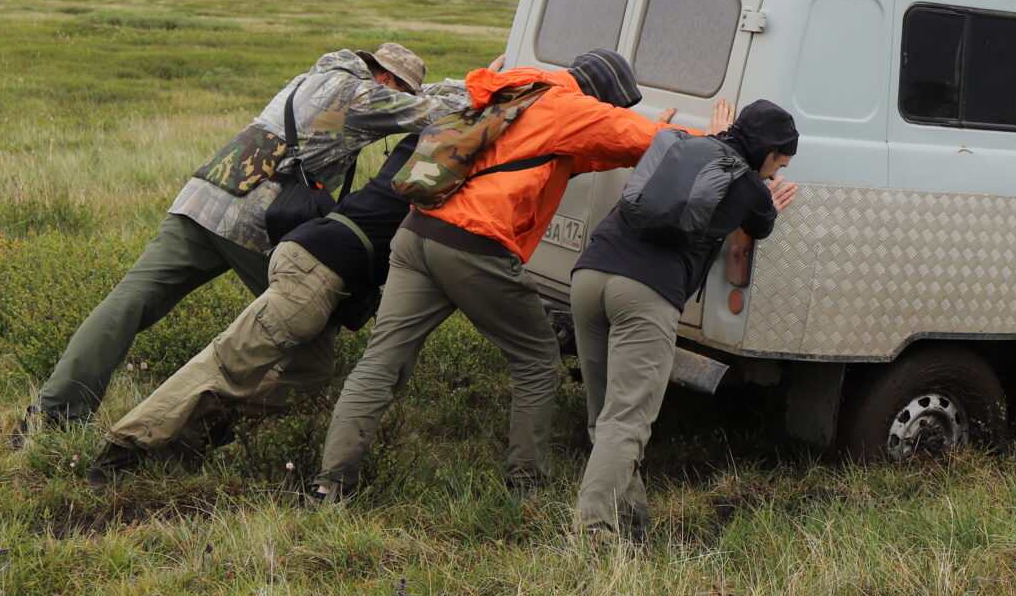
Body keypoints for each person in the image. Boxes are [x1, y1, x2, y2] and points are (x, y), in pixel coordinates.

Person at [305, 50, 717, 505]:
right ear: (602, 98)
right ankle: (526, 489)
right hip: (473, 245)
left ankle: (331, 484)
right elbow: (645, 138)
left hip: (417, 232)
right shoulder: (572, 108)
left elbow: (569, 157)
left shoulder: (518, 93)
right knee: (538, 357)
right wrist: (709, 140)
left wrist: (639, 140)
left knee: (380, 362)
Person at [22, 43, 462, 434]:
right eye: (402, 90)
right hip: (254, 221)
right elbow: (436, 113)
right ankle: (195, 431)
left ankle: (56, 414)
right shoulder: (358, 96)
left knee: (129, 302)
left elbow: (400, 106)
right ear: (385, 79)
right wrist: (483, 85)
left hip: (203, 200)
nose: (400, 99)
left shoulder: (312, 80)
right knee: (311, 337)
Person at [84, 131, 440, 484]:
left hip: (311, 259)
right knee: (229, 363)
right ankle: (123, 448)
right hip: (314, 270)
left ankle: (192, 434)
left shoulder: (425, 143)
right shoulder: (445, 152)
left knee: (309, 373)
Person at [569, 100, 800, 542]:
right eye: (777, 164)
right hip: (644, 292)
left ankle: (633, 526)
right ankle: (592, 535)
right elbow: (762, 225)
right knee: (627, 421)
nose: (773, 173)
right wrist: (767, 197)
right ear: (767, 152)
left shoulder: (683, 145)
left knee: (605, 416)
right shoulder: (750, 185)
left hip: (590, 274)